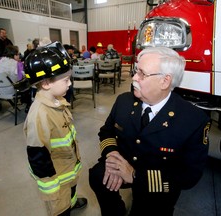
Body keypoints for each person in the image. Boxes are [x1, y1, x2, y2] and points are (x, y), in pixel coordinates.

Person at [89, 47, 211, 216]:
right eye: (135, 71)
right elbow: (107, 132)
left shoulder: (193, 120)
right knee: (97, 175)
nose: (134, 78)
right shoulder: (123, 101)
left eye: (142, 74)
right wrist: (112, 155)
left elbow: (189, 175)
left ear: (165, 81)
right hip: (124, 161)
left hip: (159, 184)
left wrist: (135, 176)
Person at [23, 41, 87, 216]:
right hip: (56, 179)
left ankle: (71, 203)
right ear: (45, 84)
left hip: (67, 169)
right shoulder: (39, 116)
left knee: (70, 192)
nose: (69, 84)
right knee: (60, 206)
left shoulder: (57, 102)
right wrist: (51, 190)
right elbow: (38, 157)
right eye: (66, 80)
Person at [0, 45, 32, 111]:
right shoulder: (17, 64)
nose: (19, 56)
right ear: (15, 55)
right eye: (18, 54)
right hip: (12, 91)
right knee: (28, 83)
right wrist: (20, 65)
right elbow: (20, 79)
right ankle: (28, 105)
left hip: (0, 90)